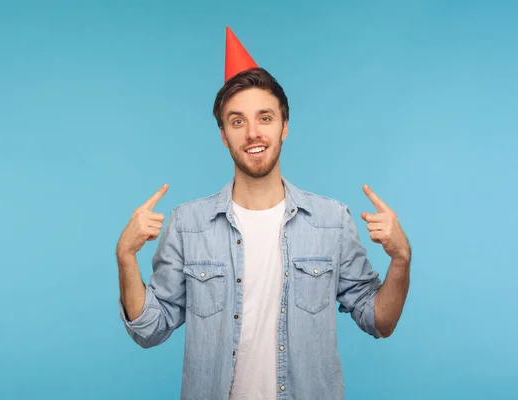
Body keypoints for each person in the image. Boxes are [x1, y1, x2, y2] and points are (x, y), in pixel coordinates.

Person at [116, 27, 411, 400]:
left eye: (265, 118)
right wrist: (125, 257)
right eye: (238, 121)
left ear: (285, 127)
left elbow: (380, 321)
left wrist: (401, 258)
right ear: (224, 135)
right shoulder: (188, 225)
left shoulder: (331, 221)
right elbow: (149, 330)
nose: (253, 133)